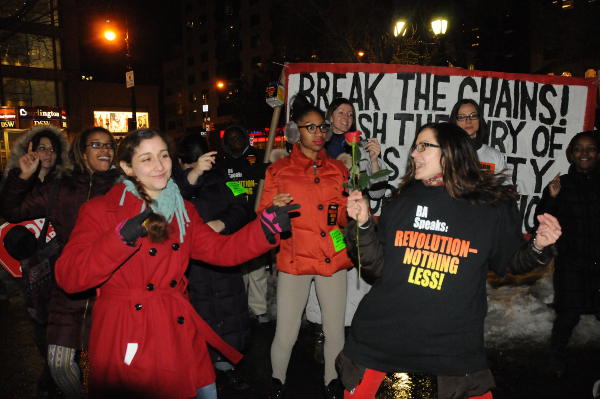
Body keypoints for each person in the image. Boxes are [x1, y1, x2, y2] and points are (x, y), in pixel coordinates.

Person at [53, 129, 297, 399]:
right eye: (146, 159)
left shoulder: (182, 209)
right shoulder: (101, 210)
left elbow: (222, 251)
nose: (159, 166)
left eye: (164, 156)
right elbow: (70, 277)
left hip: (175, 326)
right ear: (127, 167)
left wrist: (265, 227)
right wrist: (119, 238)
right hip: (127, 330)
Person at [339, 122, 561, 399]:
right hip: (387, 345)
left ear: (451, 151)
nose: (414, 154)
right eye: (414, 147)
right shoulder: (402, 200)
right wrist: (361, 226)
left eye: (424, 146)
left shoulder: (490, 208)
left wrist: (539, 245)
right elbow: (376, 268)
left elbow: (511, 262)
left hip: (449, 355)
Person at [1, 126, 118, 399]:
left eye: (109, 145)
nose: (105, 150)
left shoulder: (121, 187)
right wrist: (22, 177)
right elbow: (12, 210)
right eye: (96, 145)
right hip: (68, 286)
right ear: (81, 152)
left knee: (94, 366)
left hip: (108, 287)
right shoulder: (60, 188)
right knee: (59, 363)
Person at [260, 95, 351, 399]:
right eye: (309, 127)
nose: (318, 132)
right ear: (296, 132)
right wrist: (274, 210)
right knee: (286, 331)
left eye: (322, 127)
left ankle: (332, 382)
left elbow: (342, 217)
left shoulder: (338, 169)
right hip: (295, 259)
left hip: (332, 258)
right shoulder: (279, 170)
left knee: (335, 329)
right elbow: (262, 216)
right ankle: (276, 382)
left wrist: (349, 207)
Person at [306, 98, 388, 364]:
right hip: (323, 224)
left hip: (351, 223)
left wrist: (374, 160)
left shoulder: (361, 150)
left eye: (350, 114)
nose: (346, 117)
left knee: (356, 279)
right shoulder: (316, 144)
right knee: (323, 275)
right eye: (341, 112)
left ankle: (350, 337)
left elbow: (377, 191)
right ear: (329, 116)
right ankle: (320, 334)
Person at [174, 133, 253, 391]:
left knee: (229, 313)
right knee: (198, 318)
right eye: (191, 164)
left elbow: (244, 205)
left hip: (222, 259)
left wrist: (221, 224)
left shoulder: (224, 178)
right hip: (190, 267)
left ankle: (228, 366)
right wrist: (193, 174)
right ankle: (201, 369)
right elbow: (176, 195)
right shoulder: (170, 184)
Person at [0, 125, 71, 397]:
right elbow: (8, 210)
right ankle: (53, 378)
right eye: (42, 148)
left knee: (80, 336)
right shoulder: (18, 182)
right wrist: (22, 177)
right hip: (34, 271)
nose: (48, 154)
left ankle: (84, 382)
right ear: (30, 150)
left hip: (65, 269)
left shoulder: (65, 182)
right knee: (42, 330)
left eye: (52, 149)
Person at [535, 130, 600, 376]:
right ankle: (556, 358)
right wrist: (551, 198)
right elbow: (539, 221)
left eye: (590, 148)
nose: (584, 153)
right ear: (571, 155)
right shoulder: (560, 185)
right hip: (572, 263)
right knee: (568, 314)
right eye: (578, 149)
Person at [217, 125, 271, 324]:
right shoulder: (222, 165)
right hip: (235, 224)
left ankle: (259, 309)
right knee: (239, 271)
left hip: (257, 221)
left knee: (257, 269)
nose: (235, 140)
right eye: (230, 138)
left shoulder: (261, 158)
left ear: (245, 137)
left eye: (238, 135)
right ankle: (240, 308)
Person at [449, 99, 507, 174]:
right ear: (455, 122)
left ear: (479, 120)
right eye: (462, 117)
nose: (468, 121)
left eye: (473, 116)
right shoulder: (445, 153)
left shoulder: (495, 156)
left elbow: (505, 185)